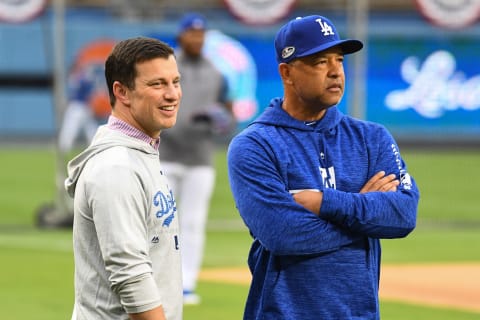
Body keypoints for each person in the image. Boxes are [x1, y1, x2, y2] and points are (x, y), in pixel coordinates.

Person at [227, 15, 419, 320]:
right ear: (287, 73)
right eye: (319, 62)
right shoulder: (255, 145)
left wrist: (325, 202)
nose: (335, 72)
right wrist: (365, 213)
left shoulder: (372, 138)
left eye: (339, 60)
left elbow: (403, 215)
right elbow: (283, 234)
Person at [65, 37, 183, 320]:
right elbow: (131, 277)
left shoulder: (139, 153)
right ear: (122, 92)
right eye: (157, 84)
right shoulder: (116, 167)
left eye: (175, 82)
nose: (172, 94)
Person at [158, 12, 234, 305]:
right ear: (180, 36)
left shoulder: (217, 73)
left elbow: (229, 115)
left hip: (200, 156)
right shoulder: (166, 66)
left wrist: (221, 118)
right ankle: (158, 279)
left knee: (193, 222)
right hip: (166, 153)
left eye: (201, 34)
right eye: (191, 33)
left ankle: (187, 282)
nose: (196, 39)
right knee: (160, 221)